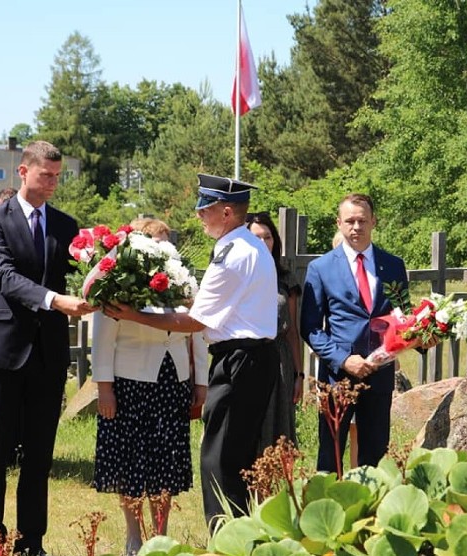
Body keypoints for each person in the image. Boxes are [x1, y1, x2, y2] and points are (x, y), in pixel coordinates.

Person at [104, 173, 278, 528]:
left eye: (205, 208)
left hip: (239, 361)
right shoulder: (251, 245)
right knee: (235, 454)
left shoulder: (231, 254)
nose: (199, 214)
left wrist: (133, 314)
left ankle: (227, 541)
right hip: (253, 359)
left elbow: (195, 322)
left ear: (227, 212)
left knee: (220, 460)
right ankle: (239, 538)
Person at [0, 140, 95, 556]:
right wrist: (55, 300)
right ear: (23, 172)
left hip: (48, 353)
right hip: (3, 351)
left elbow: (89, 264)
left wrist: (112, 270)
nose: (53, 184)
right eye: (46, 176)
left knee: (40, 454)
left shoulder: (65, 224)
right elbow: (3, 276)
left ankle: (31, 541)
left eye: (58, 177)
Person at [92, 220, 208, 556]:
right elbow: (102, 337)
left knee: (165, 460)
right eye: (154, 241)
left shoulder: (182, 279)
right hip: (128, 381)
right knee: (130, 461)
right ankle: (132, 536)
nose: (161, 248)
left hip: (173, 380)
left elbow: (197, 331)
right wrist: (104, 388)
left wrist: (200, 382)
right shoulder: (119, 279)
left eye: (165, 241)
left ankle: (161, 535)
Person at [301, 194, 412, 472]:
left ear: (373, 222)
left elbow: (404, 318)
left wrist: (420, 337)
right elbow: (311, 327)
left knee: (375, 456)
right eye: (349, 221)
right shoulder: (321, 268)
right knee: (332, 455)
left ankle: (372, 513)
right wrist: (343, 359)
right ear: (339, 223)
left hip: (379, 375)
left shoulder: (393, 265)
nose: (356, 227)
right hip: (339, 377)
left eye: (362, 220)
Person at [246, 211, 303, 449]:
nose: (262, 243)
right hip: (247, 357)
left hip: (280, 360)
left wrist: (298, 375)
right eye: (256, 237)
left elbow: (292, 330)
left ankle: (277, 483)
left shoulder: (285, 279)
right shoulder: (238, 274)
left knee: (278, 426)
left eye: (267, 237)